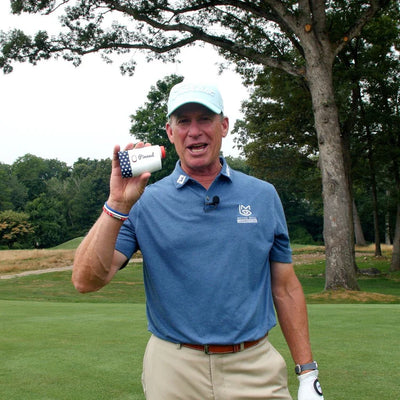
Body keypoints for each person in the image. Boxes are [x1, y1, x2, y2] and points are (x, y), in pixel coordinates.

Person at [72, 81, 325, 400]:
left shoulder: (262, 196)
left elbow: (285, 288)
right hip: (173, 368)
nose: (194, 131)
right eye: (183, 121)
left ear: (224, 125)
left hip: (254, 363)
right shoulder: (144, 202)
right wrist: (117, 204)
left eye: (205, 119)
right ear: (170, 132)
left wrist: (308, 374)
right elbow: (86, 281)